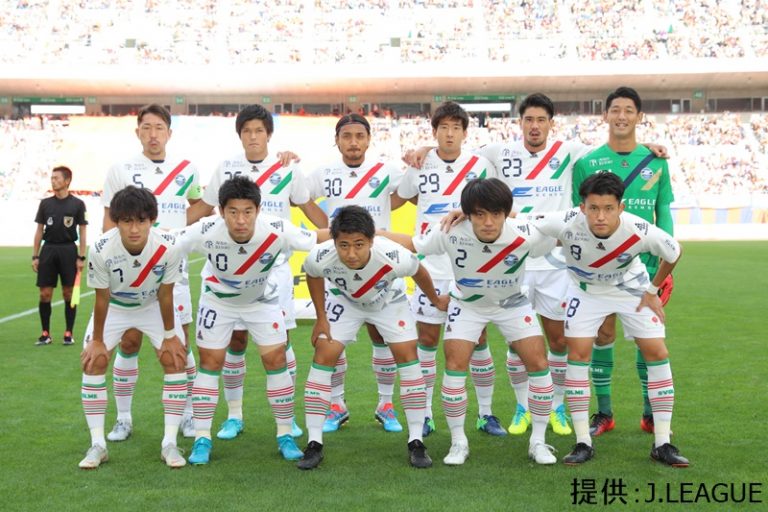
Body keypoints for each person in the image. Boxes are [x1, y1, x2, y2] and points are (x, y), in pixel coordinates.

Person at [383, 178, 558, 465]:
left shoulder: (525, 232)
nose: (488, 222)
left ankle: (538, 442)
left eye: (496, 213)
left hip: (512, 304)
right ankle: (458, 442)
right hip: (467, 306)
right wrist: (370, 233)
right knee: (454, 366)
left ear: (506, 213)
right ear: (468, 213)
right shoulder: (451, 230)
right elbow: (413, 244)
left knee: (539, 363)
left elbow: (565, 230)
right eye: (479, 214)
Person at [186, 104, 325, 441]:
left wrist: (344, 230)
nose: (253, 136)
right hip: (232, 267)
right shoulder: (226, 167)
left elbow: (308, 209)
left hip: (274, 268)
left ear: (269, 134)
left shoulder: (288, 168)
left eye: (259, 130)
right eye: (246, 131)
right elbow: (204, 208)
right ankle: (234, 415)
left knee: (281, 342)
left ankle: (287, 419)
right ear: (240, 135)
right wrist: (161, 226)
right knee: (235, 340)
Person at [533, 172, 688, 467]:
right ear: (582, 207)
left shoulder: (639, 229)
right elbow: (517, 220)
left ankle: (662, 443)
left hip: (631, 288)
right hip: (586, 291)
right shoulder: (565, 221)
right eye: (593, 208)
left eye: (608, 208)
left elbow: (674, 251)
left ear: (621, 207)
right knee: (578, 354)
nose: (600, 216)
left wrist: (653, 291)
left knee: (657, 352)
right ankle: (583, 442)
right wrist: (467, 212)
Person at [179, 176, 321, 465]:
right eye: (233, 212)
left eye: (247, 212)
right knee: (210, 363)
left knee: (276, 360)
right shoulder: (205, 230)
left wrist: (372, 234)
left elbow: (319, 238)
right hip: (218, 302)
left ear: (258, 210)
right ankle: (202, 438)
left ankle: (285, 434)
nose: (240, 220)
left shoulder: (277, 228)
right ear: (221, 211)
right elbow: (168, 243)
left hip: (261, 302)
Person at [298, 205, 447, 470]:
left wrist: (435, 300)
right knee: (323, 354)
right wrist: (321, 317)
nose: (351, 253)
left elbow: (419, 271)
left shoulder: (394, 255)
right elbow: (312, 274)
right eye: (343, 245)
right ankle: (314, 443)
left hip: (389, 301)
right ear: (334, 242)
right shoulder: (320, 256)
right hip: (345, 302)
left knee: (407, 357)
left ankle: (416, 441)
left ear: (371, 241)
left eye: (359, 245)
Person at [395, 102, 504, 438]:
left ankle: (485, 413)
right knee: (427, 339)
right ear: (435, 131)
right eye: (443, 127)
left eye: (456, 127)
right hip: (430, 264)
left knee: (479, 338)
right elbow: (403, 196)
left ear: (465, 133)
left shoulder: (480, 164)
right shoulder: (421, 163)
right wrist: (421, 152)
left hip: (471, 264)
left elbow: (494, 206)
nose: (450, 133)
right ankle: (426, 415)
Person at [571, 87, 675, 437]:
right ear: (605, 115)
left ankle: (650, 414)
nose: (621, 116)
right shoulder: (587, 162)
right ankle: (604, 413)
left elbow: (663, 210)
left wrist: (663, 261)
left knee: (649, 339)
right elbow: (577, 215)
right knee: (603, 334)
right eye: (615, 109)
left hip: (646, 266)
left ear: (639, 117)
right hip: (601, 266)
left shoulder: (657, 161)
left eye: (629, 110)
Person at [99, 103, 202, 442]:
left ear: (169, 133)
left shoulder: (186, 170)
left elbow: (199, 206)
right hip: (129, 272)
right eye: (146, 127)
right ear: (138, 132)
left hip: (173, 268)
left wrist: (176, 232)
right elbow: (108, 221)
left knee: (180, 343)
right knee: (129, 341)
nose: (153, 134)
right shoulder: (121, 169)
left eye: (159, 128)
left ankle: (188, 414)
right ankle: (123, 418)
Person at [304, 113, 410, 434]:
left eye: (359, 136)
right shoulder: (324, 172)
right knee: (332, 342)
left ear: (368, 140)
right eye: (346, 136)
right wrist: (327, 228)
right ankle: (336, 404)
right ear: (336, 141)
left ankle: (385, 404)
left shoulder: (386, 171)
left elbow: (406, 194)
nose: (353, 142)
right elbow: (301, 197)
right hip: (340, 265)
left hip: (379, 265)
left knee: (382, 337)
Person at [78, 186, 188, 469]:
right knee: (94, 361)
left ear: (153, 220)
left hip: (152, 305)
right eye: (127, 221)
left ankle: (169, 443)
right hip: (116, 307)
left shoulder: (169, 246)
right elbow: (102, 298)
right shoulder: (101, 248)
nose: (135, 229)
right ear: (116, 221)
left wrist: (169, 336)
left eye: (141, 220)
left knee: (175, 359)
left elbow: (166, 294)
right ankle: (97, 445)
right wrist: (98, 340)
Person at [32, 166, 87, 346]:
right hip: (48, 250)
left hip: (68, 250)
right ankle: (45, 333)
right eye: (52, 178)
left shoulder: (78, 204)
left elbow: (83, 231)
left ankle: (68, 332)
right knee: (45, 293)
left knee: (69, 293)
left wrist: (81, 257)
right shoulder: (45, 204)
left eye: (56, 178)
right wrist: (35, 256)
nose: (53, 181)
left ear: (67, 181)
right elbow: (39, 230)